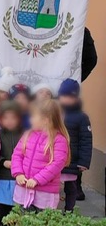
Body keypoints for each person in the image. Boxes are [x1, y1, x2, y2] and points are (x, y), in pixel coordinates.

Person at [11, 100, 70, 211]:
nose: (30, 119)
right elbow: (17, 155)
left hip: (45, 192)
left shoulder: (59, 140)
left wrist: (37, 179)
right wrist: (18, 173)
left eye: (33, 116)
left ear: (45, 120)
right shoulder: (28, 134)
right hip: (24, 189)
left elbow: (57, 164)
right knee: (20, 221)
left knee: (41, 223)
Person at [58, 79, 92, 212]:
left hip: (72, 159)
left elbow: (86, 140)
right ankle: (52, 211)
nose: (66, 99)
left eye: (70, 96)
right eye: (63, 95)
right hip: (57, 158)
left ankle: (69, 210)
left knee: (71, 187)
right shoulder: (56, 113)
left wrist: (84, 162)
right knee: (54, 186)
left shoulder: (82, 117)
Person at [0, 101, 22, 220]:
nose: (9, 121)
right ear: (0, 119)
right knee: (3, 204)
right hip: (3, 176)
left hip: (19, 177)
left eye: (13, 117)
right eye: (5, 117)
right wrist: (3, 161)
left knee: (18, 205)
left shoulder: (24, 134)